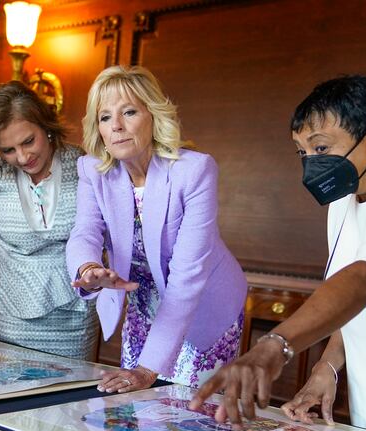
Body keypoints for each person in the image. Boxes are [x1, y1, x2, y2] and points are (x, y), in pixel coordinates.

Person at [189, 75, 366, 431]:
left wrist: (273, 347)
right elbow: (350, 298)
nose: (311, 163)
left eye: (321, 147)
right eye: (303, 152)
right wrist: (327, 366)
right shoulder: (345, 199)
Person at [67, 65, 247, 392]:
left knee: (187, 416)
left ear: (154, 115)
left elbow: (186, 277)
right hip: (143, 302)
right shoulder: (92, 171)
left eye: (129, 112)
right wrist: (89, 267)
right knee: (137, 410)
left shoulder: (194, 171)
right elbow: (85, 232)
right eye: (105, 117)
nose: (116, 126)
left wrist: (148, 370)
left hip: (202, 305)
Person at [0, 81, 98, 360]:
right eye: (8, 150)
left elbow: (99, 233)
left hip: (73, 308)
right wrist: (16, 275)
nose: (23, 157)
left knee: (70, 394)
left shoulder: (84, 165)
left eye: (28, 141)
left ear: (45, 126)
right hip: (10, 309)